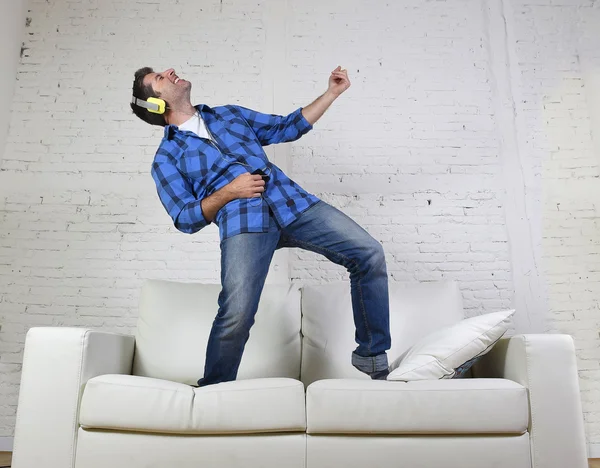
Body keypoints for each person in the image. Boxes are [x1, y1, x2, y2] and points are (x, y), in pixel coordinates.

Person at [130, 65, 391, 387]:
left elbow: (287, 127)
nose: (169, 71)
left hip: (293, 204)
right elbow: (185, 218)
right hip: (244, 223)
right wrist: (229, 192)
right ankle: (214, 389)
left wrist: (332, 92)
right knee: (237, 312)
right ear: (156, 104)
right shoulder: (167, 158)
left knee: (368, 253)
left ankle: (371, 356)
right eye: (158, 78)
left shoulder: (228, 115)